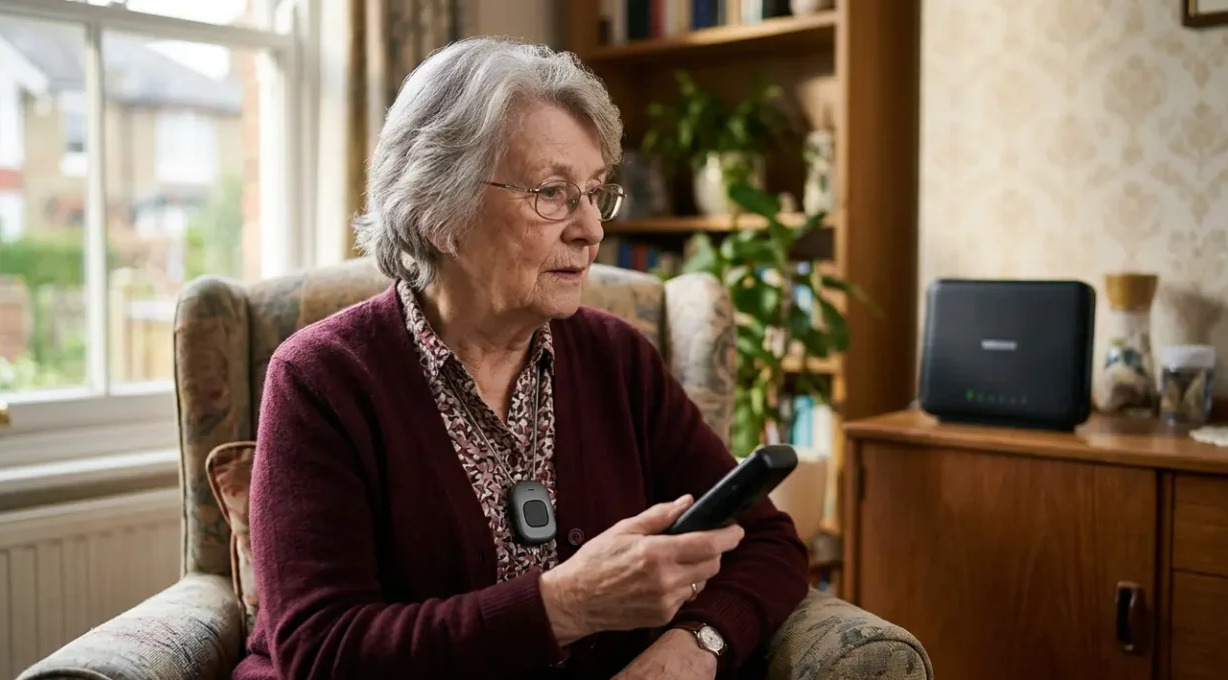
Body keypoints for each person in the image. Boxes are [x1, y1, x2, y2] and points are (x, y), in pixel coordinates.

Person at [235, 36, 808, 680]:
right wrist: (566, 605)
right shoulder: (321, 377)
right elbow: (322, 650)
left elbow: (769, 543)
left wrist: (695, 647)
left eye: (594, 191)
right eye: (552, 192)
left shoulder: (617, 357)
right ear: (438, 212)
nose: (590, 228)